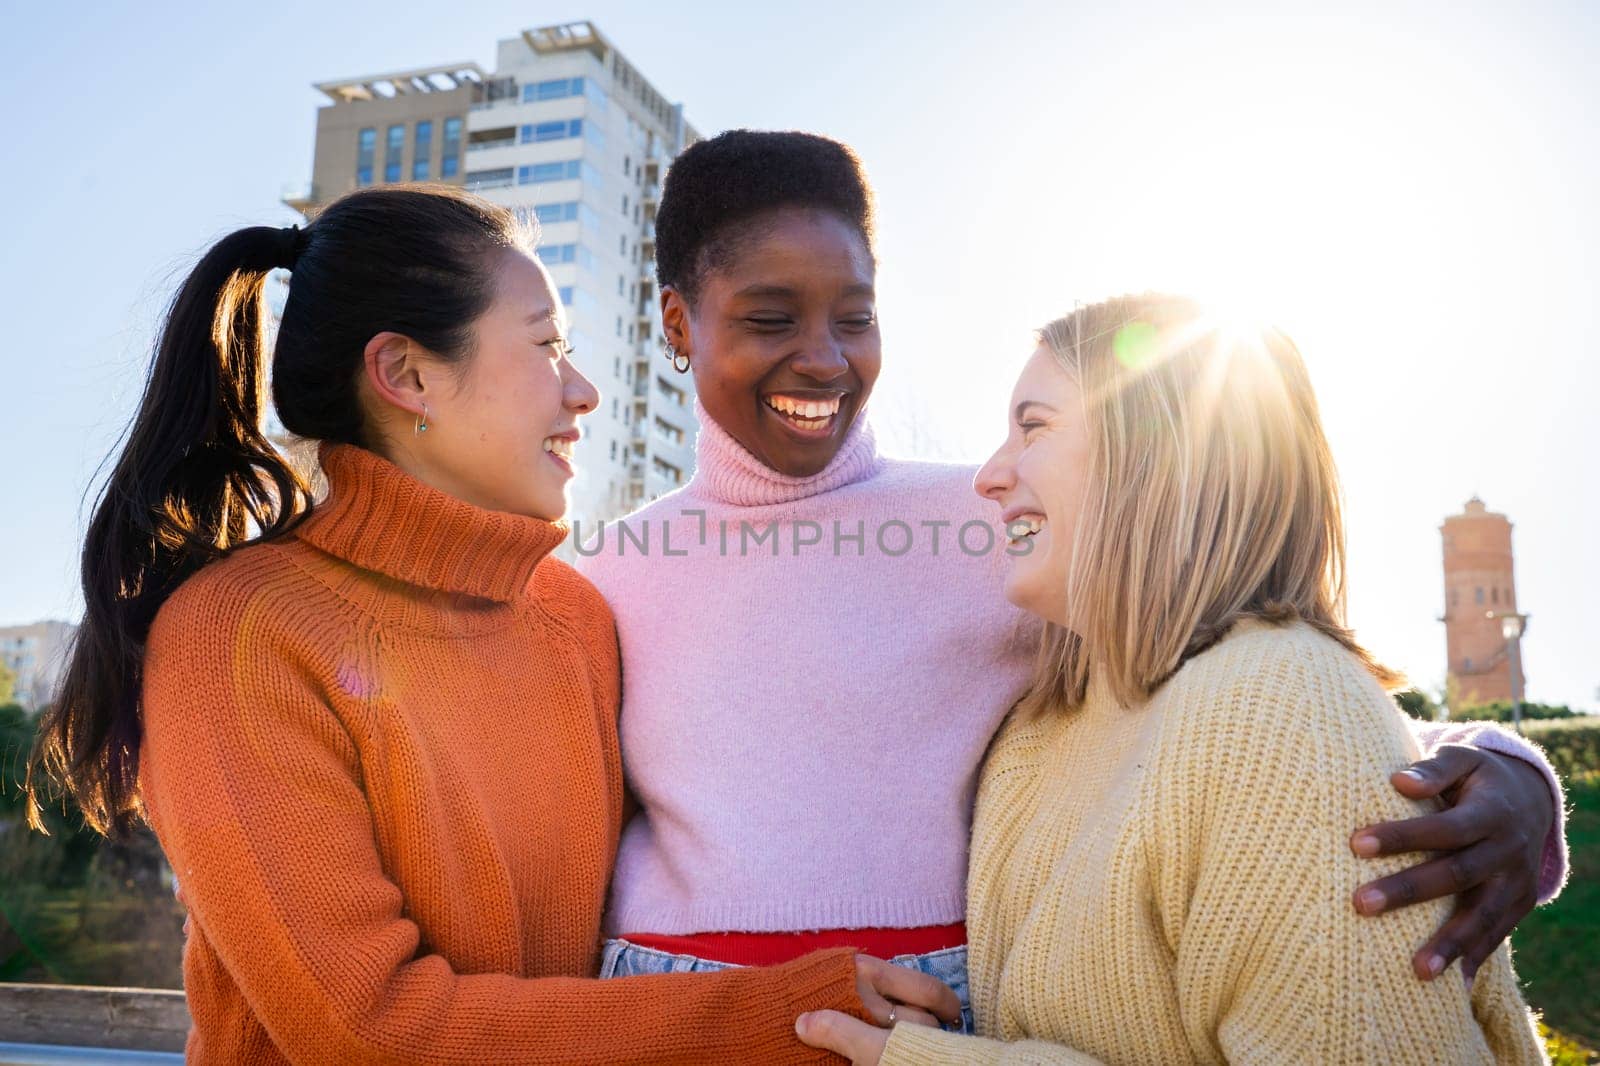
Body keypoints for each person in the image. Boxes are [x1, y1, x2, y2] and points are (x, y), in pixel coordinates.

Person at [577, 131, 1567, 1032]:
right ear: (677, 321)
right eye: (767, 317)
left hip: (930, 1005)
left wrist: (1503, 766)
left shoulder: (999, 526)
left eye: (855, 317)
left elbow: (1233, 685)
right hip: (676, 998)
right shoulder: (607, 573)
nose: (824, 358)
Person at [26, 184, 957, 1065]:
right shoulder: (238, 640)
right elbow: (372, 1031)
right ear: (406, 374)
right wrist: (785, 1017)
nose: (582, 390)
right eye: (546, 345)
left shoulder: (575, 616)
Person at [796, 294, 1548, 1064]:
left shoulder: (1282, 707)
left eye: (1034, 425)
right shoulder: (1043, 729)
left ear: (1154, 451)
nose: (988, 476)